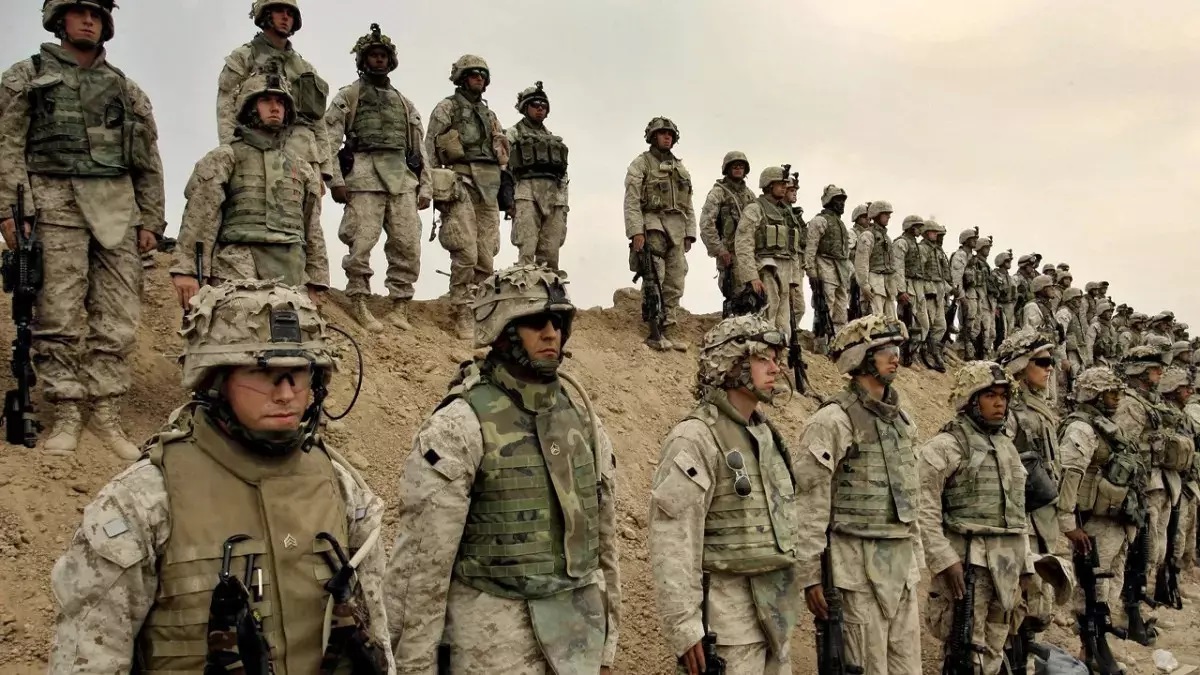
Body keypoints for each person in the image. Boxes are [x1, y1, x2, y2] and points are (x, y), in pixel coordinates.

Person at [48, 280, 393, 673]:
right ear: (216, 379)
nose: (286, 394)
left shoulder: (341, 487)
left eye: (298, 372)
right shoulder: (145, 500)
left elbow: (376, 635)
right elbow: (89, 658)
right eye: (262, 372)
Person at [385, 265, 620, 674]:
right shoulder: (459, 425)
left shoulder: (582, 418)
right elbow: (422, 569)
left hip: (577, 639)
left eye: (558, 322)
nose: (551, 333)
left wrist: (608, 642)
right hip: (492, 644)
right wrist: (413, 666)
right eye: (535, 323)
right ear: (502, 330)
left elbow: (604, 541)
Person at [0, 0, 166, 458]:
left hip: (117, 208)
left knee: (118, 317)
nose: (88, 20)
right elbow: (7, 144)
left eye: (96, 14)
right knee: (57, 313)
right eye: (78, 12)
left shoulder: (125, 89)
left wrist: (151, 219)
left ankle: (106, 413)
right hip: (53, 204)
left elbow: (147, 159)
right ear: (59, 20)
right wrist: (12, 211)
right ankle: (68, 412)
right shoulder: (26, 76)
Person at [650, 314, 800, 674]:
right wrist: (685, 627)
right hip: (726, 625)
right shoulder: (696, 437)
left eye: (775, 359)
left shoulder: (765, 434)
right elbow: (673, 537)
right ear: (731, 363)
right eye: (762, 358)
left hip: (775, 615)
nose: (775, 368)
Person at [793, 315, 923, 674]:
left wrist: (917, 556)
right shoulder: (833, 421)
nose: (895, 357)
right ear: (861, 357)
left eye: (897, 349)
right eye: (885, 350)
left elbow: (910, 495)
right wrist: (811, 575)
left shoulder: (903, 421)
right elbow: (809, 502)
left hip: (900, 569)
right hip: (854, 570)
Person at [171, 72, 328, 305]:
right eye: (266, 100)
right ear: (250, 108)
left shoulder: (302, 168)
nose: (275, 107)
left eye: (281, 102)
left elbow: (312, 226)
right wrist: (187, 270)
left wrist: (316, 280)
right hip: (236, 265)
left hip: (291, 270)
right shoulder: (226, 157)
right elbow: (201, 215)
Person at [919, 361, 1030, 675]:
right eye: (990, 395)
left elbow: (1017, 512)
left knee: (995, 646)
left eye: (1003, 396)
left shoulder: (1007, 447)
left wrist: (1026, 564)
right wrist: (944, 560)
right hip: (967, 565)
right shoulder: (946, 447)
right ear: (970, 400)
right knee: (965, 653)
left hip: (1006, 564)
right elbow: (924, 510)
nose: (999, 403)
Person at [324, 23, 431, 332]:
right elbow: (329, 138)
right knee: (361, 240)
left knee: (407, 243)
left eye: (383, 55)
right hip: (364, 176)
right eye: (373, 55)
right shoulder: (349, 95)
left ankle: (400, 305)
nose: (379, 59)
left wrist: (426, 187)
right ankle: (359, 299)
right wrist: (335, 180)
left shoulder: (404, 102)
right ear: (363, 60)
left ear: (391, 60)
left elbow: (418, 146)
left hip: (401, 178)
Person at [996, 330, 1072, 667]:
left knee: (1038, 603)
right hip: (1021, 519)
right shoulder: (1011, 411)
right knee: (1019, 600)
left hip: (1041, 517)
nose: (1049, 367)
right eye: (1041, 361)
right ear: (1020, 365)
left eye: (1050, 361)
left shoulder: (1038, 407)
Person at [426, 54, 510, 339]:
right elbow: (430, 147)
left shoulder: (490, 116)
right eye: (474, 74)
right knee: (465, 251)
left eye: (482, 75)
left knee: (486, 255)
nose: (479, 79)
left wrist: (506, 190)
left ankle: (480, 310)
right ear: (462, 78)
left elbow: (502, 155)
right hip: (459, 182)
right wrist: (429, 186)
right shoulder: (447, 108)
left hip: (488, 187)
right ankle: (462, 309)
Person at [1055, 367, 1142, 632]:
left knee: (1111, 577)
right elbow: (1070, 476)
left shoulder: (1105, 424)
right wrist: (1069, 524)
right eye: (1110, 393)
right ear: (1094, 395)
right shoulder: (1081, 428)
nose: (1117, 398)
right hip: (1092, 519)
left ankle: (1102, 633)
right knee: (1095, 584)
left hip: (1113, 516)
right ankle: (1090, 641)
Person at [216, 0, 331, 191]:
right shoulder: (244, 56)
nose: (285, 17)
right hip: (254, 146)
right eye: (279, 11)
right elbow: (226, 105)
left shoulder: (305, 68)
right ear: (266, 15)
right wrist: (230, 149)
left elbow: (318, 118)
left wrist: (325, 166)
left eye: (290, 13)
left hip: (302, 149)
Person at [1114, 345, 1178, 617]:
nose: (1160, 373)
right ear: (1140, 371)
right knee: (1139, 549)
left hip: (1152, 482)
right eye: (1154, 369)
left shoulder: (1149, 401)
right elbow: (1124, 449)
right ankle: (1128, 609)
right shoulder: (1130, 404)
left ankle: (1138, 602)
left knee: (1150, 548)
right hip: (1139, 485)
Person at [624, 116, 695, 347]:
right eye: (662, 134)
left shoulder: (680, 168)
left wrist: (690, 233)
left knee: (676, 279)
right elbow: (632, 200)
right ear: (653, 137)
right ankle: (653, 329)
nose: (667, 137)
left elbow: (688, 203)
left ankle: (669, 327)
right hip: (652, 224)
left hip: (677, 227)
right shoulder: (641, 163)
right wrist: (636, 231)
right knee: (654, 276)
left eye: (670, 134)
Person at [507, 80, 570, 271]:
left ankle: (549, 288)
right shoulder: (513, 133)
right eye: (535, 105)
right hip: (525, 191)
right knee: (527, 246)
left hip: (554, 196)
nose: (540, 109)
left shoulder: (552, 139)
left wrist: (564, 205)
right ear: (525, 107)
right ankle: (525, 286)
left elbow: (563, 176)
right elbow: (503, 166)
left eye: (544, 106)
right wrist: (507, 199)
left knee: (550, 252)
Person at [733, 166, 803, 335]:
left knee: (784, 322)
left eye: (785, 184)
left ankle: (782, 348)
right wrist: (752, 276)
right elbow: (743, 243)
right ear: (769, 185)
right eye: (780, 184)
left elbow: (792, 248)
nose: (784, 187)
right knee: (767, 313)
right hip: (766, 265)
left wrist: (794, 279)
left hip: (786, 267)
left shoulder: (787, 212)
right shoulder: (755, 209)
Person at [699, 151, 754, 309]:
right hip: (730, 252)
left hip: (749, 252)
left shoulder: (749, 195)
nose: (738, 169)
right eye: (734, 166)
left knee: (753, 297)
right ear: (727, 169)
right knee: (736, 295)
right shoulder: (718, 192)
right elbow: (706, 223)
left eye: (741, 166)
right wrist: (719, 250)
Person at [805, 185, 853, 336]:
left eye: (843, 200)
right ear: (829, 201)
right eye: (838, 200)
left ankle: (839, 341)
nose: (842, 203)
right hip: (824, 266)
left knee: (841, 310)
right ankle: (821, 342)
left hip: (841, 271)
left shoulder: (840, 224)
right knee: (825, 308)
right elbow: (810, 249)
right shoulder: (820, 221)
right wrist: (812, 273)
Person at [853, 200, 898, 321]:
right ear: (877, 214)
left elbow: (892, 263)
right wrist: (864, 285)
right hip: (874, 281)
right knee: (875, 320)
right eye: (885, 214)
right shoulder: (868, 235)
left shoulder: (886, 237)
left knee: (891, 321)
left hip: (887, 284)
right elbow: (861, 262)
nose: (889, 217)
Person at [892, 215, 927, 367]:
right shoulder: (901, 243)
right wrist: (901, 290)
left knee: (922, 323)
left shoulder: (915, 245)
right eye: (918, 226)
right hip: (907, 285)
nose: (920, 230)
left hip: (917, 285)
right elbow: (898, 268)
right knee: (905, 322)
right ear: (911, 227)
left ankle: (913, 352)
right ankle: (901, 354)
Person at [918, 219, 949, 372]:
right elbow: (920, 270)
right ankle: (921, 351)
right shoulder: (922, 249)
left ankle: (933, 350)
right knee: (927, 323)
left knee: (941, 325)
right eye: (933, 232)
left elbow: (942, 273)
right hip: (928, 289)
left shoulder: (937, 250)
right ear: (925, 233)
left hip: (939, 290)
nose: (936, 234)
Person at [949, 228, 979, 358]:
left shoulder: (972, 257)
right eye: (972, 239)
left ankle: (967, 348)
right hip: (963, 293)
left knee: (971, 321)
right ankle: (961, 349)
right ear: (965, 240)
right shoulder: (960, 255)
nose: (975, 241)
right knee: (964, 322)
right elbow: (956, 278)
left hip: (971, 292)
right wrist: (961, 297)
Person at [993, 250, 1018, 341]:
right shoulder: (995, 275)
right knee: (1001, 330)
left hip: (1010, 305)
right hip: (999, 305)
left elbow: (1015, 294)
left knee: (1010, 330)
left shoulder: (1010, 278)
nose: (1009, 263)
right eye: (1007, 261)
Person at [1086, 302, 1119, 368]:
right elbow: (1089, 344)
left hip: (1112, 359)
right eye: (1108, 311)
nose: (1110, 313)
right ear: (1101, 312)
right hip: (1099, 359)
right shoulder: (1095, 326)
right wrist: (1090, 360)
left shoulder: (1111, 327)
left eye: (1111, 311)